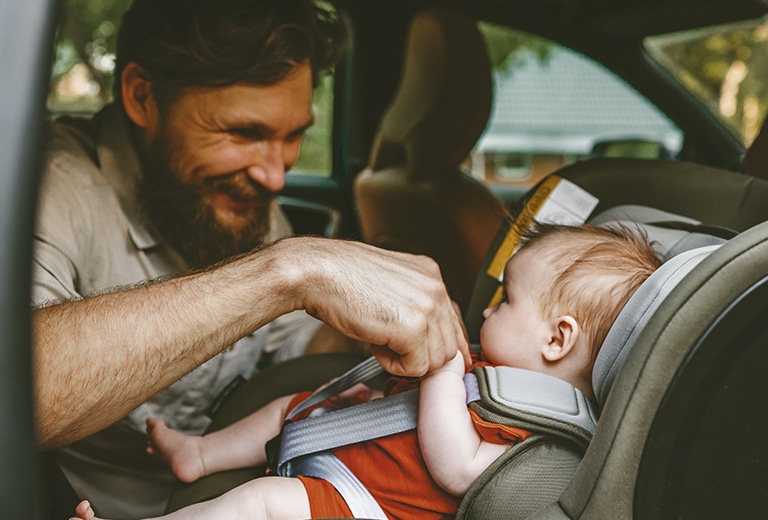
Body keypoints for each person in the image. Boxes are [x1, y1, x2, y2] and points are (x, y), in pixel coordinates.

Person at [34, 0, 467, 517]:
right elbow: (19, 390)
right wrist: (288, 271)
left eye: (294, 136)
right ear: (142, 96)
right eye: (244, 133)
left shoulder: (234, 196)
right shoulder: (50, 187)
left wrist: (366, 332)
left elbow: (287, 347)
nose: (275, 177)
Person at [69, 222, 662, 520]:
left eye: (506, 301)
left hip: (363, 504)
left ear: (558, 340)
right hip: (355, 448)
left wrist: (438, 371)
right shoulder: (500, 370)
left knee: (267, 502)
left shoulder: (545, 440)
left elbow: (457, 468)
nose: (487, 307)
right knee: (292, 405)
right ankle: (198, 454)